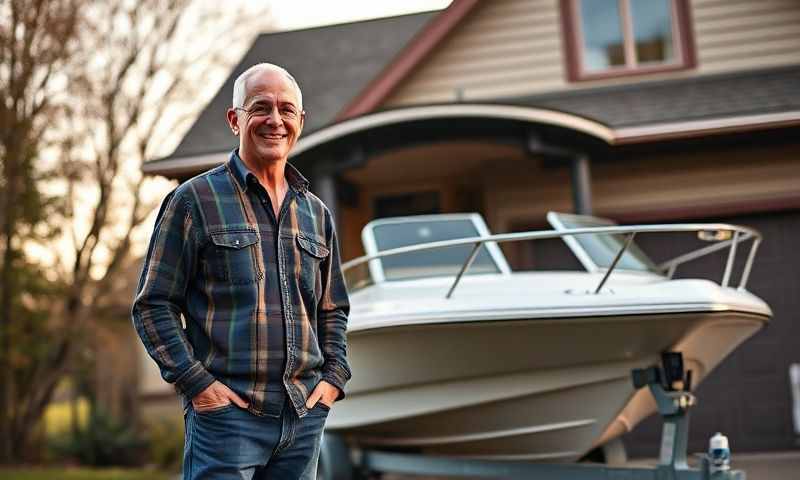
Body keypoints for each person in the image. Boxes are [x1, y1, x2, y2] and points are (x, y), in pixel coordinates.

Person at [132, 63, 351, 479]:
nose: (275, 120)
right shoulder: (193, 200)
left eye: (286, 110)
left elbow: (332, 309)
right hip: (227, 420)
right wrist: (198, 385)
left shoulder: (316, 214)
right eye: (260, 108)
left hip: (303, 418)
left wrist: (333, 380)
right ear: (235, 119)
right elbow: (153, 305)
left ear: (300, 122)